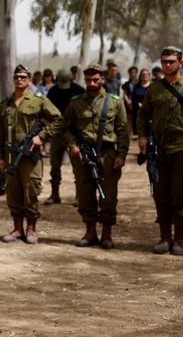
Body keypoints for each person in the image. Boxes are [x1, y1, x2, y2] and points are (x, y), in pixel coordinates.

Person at [0, 65, 63, 245]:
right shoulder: (6, 104)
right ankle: (17, 229)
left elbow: (58, 120)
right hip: (10, 156)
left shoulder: (39, 101)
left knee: (31, 191)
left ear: (29, 80)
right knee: (13, 193)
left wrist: (42, 136)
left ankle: (31, 228)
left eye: (23, 77)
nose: (19, 79)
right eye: (17, 77)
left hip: (30, 156)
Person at [63, 63, 128, 249]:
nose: (92, 83)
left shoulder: (115, 102)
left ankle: (107, 233)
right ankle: (90, 232)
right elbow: (65, 128)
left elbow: (122, 130)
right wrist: (73, 146)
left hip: (107, 154)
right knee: (85, 194)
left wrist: (122, 154)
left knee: (108, 194)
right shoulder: (76, 103)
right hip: (83, 155)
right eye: (88, 80)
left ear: (102, 79)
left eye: (95, 80)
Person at [136, 46, 183, 255]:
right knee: (160, 193)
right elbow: (142, 115)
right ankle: (165, 237)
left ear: (181, 63)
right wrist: (142, 137)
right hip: (159, 149)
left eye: (172, 61)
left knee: (180, 194)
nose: (167, 65)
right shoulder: (154, 89)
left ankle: (179, 239)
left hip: (181, 147)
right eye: (164, 61)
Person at [44, 68, 84, 204]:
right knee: (55, 165)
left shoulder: (78, 90)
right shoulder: (53, 91)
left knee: (77, 166)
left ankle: (79, 196)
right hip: (57, 133)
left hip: (74, 134)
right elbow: (47, 110)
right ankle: (54, 194)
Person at [130, 68, 151, 136]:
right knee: (137, 131)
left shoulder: (152, 86)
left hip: (149, 112)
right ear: (140, 76)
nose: (144, 76)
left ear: (149, 76)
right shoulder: (136, 86)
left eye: (146, 74)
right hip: (137, 111)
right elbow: (133, 98)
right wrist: (138, 104)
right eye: (143, 75)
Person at [122, 66, 139, 137]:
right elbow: (124, 94)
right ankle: (129, 134)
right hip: (128, 103)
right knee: (129, 119)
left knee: (136, 119)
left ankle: (136, 133)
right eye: (132, 72)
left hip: (136, 103)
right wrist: (128, 101)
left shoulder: (139, 83)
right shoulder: (126, 83)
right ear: (129, 73)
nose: (133, 74)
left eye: (135, 72)